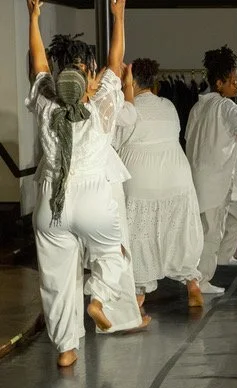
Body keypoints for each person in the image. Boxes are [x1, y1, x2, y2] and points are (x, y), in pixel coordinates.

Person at [26, 0, 129, 366]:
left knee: (56, 280)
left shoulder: (45, 103)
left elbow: (38, 64)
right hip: (93, 200)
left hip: (50, 205)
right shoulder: (101, 105)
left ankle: (66, 349)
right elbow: (116, 63)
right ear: (89, 79)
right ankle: (99, 298)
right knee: (111, 254)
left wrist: (33, 18)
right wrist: (118, 17)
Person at [116, 58, 205, 307]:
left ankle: (138, 292)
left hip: (141, 174)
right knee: (178, 228)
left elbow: (114, 141)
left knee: (139, 232)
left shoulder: (126, 109)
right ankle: (192, 284)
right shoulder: (167, 105)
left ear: (130, 82)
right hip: (175, 173)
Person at [186, 46, 237, 292]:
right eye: (233, 82)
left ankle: (225, 254)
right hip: (215, 178)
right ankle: (202, 279)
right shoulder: (226, 106)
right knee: (212, 230)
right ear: (219, 83)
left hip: (200, 174)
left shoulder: (198, 107)